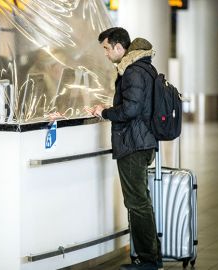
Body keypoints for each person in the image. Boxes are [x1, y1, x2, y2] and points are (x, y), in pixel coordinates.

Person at [87, 27, 162, 270]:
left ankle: (149, 261)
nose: (106, 54)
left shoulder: (132, 71)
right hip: (142, 141)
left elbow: (130, 110)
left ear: (120, 47)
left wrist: (105, 111)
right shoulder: (143, 67)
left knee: (137, 203)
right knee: (141, 202)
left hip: (133, 144)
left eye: (107, 48)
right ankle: (148, 257)